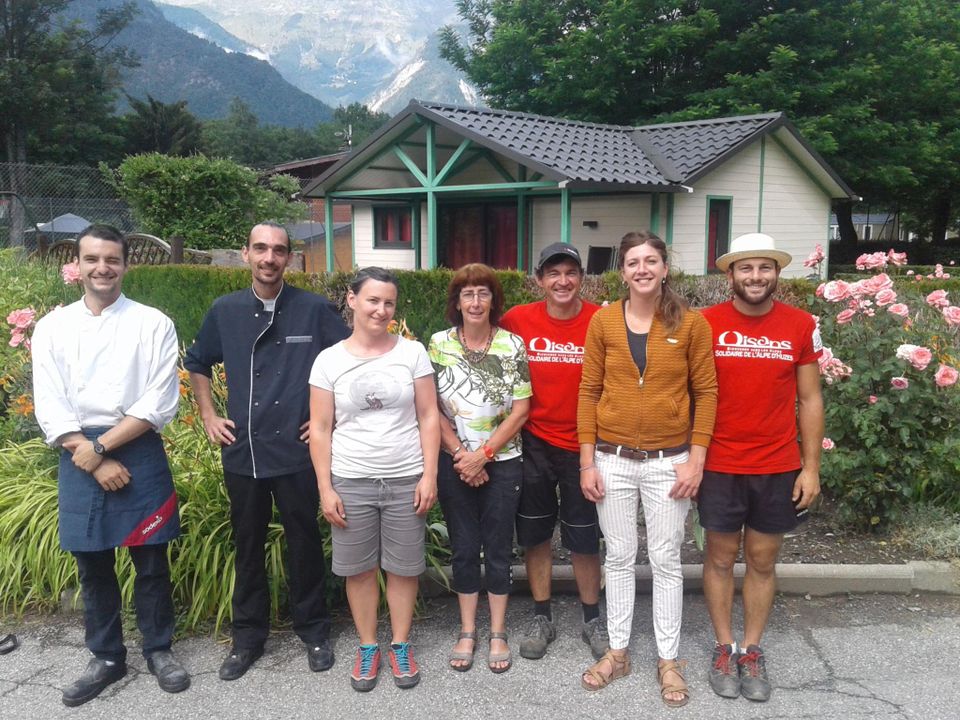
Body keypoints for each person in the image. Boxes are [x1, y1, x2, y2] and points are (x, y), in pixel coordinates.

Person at [31, 224, 189, 706]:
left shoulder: (153, 323)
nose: (103, 268)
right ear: (77, 265)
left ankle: (158, 649)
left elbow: (159, 399)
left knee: (151, 561)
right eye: (93, 259)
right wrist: (92, 456)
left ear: (126, 264)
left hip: (136, 445)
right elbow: (50, 404)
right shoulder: (52, 328)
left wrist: (102, 450)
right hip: (77, 451)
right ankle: (105, 657)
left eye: (112, 260)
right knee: (93, 565)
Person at [184, 222, 349, 681]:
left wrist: (327, 419)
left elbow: (349, 362)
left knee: (304, 543)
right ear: (246, 255)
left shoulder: (314, 310)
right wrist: (208, 415)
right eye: (261, 249)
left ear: (290, 259)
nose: (269, 258)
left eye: (279, 250)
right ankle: (247, 638)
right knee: (247, 545)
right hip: (244, 450)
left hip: (296, 451)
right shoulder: (226, 311)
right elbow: (197, 362)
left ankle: (314, 630)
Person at [577, 230, 717, 706]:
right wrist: (585, 462)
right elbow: (588, 391)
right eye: (633, 262)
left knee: (665, 560)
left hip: (669, 462)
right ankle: (617, 652)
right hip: (611, 461)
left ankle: (669, 659)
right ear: (623, 271)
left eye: (651, 261)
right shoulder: (603, 322)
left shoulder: (691, 324)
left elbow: (707, 394)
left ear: (664, 268)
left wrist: (695, 461)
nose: (642, 269)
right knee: (617, 556)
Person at [700, 233, 823, 702]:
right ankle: (722, 646)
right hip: (720, 464)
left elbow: (810, 398)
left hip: (776, 465)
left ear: (777, 274)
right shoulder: (705, 324)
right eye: (746, 269)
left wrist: (810, 467)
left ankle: (752, 650)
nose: (756, 277)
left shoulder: (800, 324)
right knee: (718, 558)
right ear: (729, 275)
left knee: (761, 560)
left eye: (765, 268)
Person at [308, 267, 439, 692]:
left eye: (389, 304)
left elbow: (428, 416)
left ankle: (400, 644)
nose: (381, 310)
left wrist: (429, 475)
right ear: (352, 300)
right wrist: (326, 488)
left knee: (403, 569)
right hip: (351, 479)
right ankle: (368, 646)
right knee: (359, 570)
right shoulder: (329, 360)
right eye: (373, 301)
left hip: (405, 477)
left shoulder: (412, 353)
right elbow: (321, 428)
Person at [499, 242, 606, 661]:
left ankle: (592, 618)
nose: (563, 281)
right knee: (536, 534)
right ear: (540, 279)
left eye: (571, 273)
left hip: (585, 445)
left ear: (581, 278)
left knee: (583, 536)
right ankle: (542, 616)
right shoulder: (516, 320)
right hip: (533, 443)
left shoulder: (601, 320)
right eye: (553, 273)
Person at [428, 264, 531, 674]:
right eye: (467, 294)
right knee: (465, 547)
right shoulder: (437, 344)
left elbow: (521, 409)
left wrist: (482, 455)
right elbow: (431, 406)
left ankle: (499, 632)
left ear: (493, 300)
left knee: (500, 548)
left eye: (482, 293)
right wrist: (461, 456)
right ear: (456, 302)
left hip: (502, 462)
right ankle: (468, 630)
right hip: (454, 461)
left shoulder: (512, 345)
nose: (474, 301)